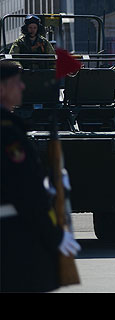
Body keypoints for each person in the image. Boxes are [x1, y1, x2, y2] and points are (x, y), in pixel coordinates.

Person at [0, 60, 81, 292]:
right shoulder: (8, 131)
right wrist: (55, 236)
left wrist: (45, 182)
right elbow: (24, 193)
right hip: (12, 241)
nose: (23, 88)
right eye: (16, 83)